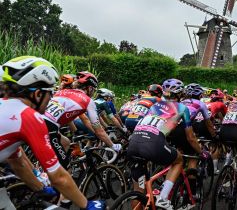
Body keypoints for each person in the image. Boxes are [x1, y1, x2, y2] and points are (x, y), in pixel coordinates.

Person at [0, 56, 105, 209]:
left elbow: (18, 161)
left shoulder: (6, 105)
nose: (52, 98)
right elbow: (59, 178)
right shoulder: (29, 116)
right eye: (50, 93)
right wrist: (87, 204)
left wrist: (40, 188)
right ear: (37, 94)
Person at [127, 80, 208, 209]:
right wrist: (201, 152)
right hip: (152, 143)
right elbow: (191, 137)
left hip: (133, 142)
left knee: (138, 193)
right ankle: (163, 198)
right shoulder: (182, 108)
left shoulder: (155, 105)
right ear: (180, 93)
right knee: (178, 160)